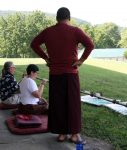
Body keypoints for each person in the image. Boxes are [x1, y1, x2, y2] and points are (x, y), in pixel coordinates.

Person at [30, 7, 94, 143]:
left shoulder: (48, 32)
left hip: (55, 74)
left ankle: (61, 134)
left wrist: (46, 57)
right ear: (69, 18)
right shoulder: (75, 30)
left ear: (57, 18)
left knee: (58, 104)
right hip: (71, 73)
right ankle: (75, 135)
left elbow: (34, 44)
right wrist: (81, 60)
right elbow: (90, 45)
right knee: (73, 104)